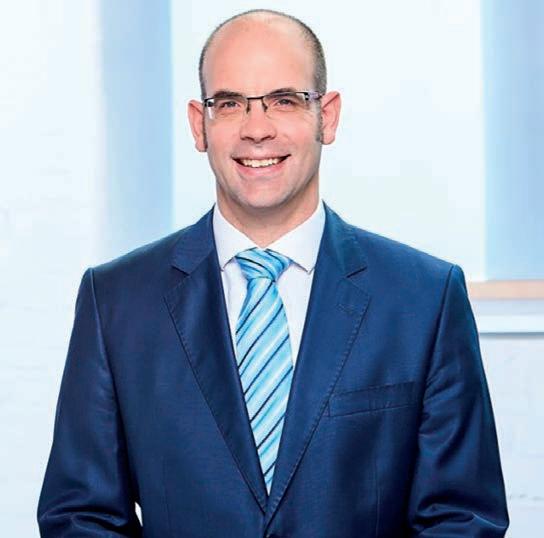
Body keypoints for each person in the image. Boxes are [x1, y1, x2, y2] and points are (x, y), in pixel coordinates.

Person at [37, 9, 509, 537]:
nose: (257, 129)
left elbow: (462, 518)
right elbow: (81, 518)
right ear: (199, 124)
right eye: (229, 103)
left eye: (285, 100)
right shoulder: (115, 301)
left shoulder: (425, 298)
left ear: (327, 116)